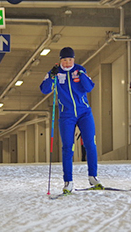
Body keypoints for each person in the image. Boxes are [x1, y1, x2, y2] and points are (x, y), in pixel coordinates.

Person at [40, 47, 103, 194]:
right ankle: (68, 181)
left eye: (70, 59)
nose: (68, 63)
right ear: (60, 60)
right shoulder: (55, 72)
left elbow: (89, 87)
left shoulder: (80, 69)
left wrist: (81, 75)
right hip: (66, 115)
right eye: (65, 60)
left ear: (73, 59)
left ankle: (93, 177)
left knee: (90, 144)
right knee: (68, 147)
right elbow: (44, 89)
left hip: (84, 113)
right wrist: (51, 77)